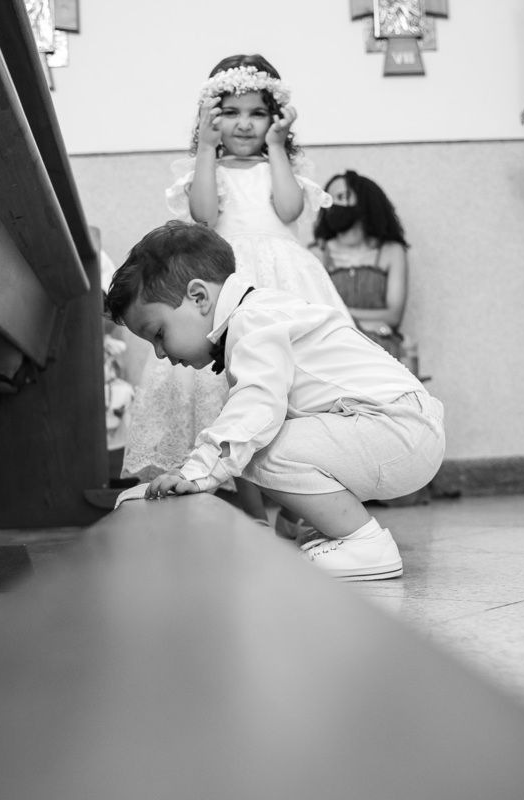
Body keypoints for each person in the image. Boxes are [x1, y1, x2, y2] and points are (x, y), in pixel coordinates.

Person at [105, 221, 445, 582]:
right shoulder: (259, 312)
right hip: (399, 425)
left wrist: (197, 471)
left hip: (397, 428)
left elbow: (256, 410)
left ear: (199, 297)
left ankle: (364, 545)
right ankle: (325, 529)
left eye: (159, 334)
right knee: (264, 435)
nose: (160, 354)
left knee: (257, 445)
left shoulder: (252, 322)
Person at [122, 53, 348, 524]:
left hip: (283, 276)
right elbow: (204, 216)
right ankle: (251, 516)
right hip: (223, 279)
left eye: (258, 113)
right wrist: (206, 149)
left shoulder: (280, 164)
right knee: (227, 395)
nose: (244, 124)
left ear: (276, 117)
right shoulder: (207, 167)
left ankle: (299, 505)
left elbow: (288, 211)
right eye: (230, 113)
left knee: (291, 391)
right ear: (210, 117)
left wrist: (279, 147)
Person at [310, 170, 410, 360]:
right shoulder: (317, 253)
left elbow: (394, 316)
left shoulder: (391, 251)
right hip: (332, 351)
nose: (334, 205)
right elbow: (315, 313)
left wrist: (342, 315)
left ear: (365, 202)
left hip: (382, 353)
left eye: (342, 197)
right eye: (329, 200)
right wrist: (364, 324)